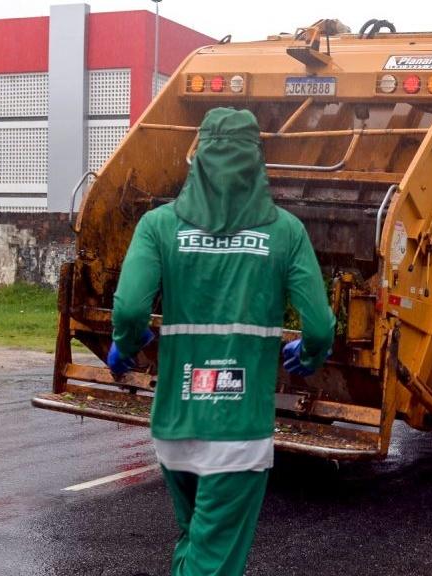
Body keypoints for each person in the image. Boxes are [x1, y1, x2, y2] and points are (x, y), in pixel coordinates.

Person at [107, 107, 335, 575]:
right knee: (213, 561)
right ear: (257, 162)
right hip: (238, 430)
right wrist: (308, 355)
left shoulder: (159, 226)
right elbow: (319, 328)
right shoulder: (285, 232)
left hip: (175, 423)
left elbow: (129, 308)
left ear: (198, 158)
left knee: (194, 541)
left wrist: (125, 344)